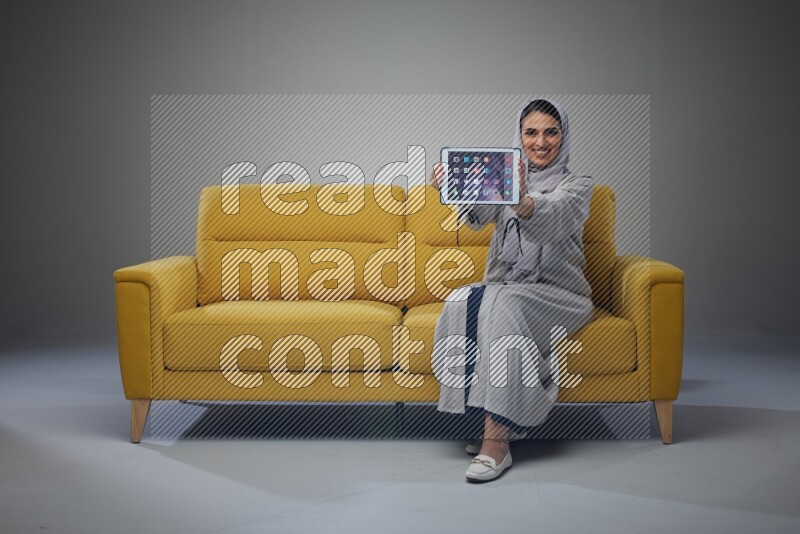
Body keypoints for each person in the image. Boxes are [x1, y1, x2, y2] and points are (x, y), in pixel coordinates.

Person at [429, 98, 595, 483]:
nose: (541, 142)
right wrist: (453, 186)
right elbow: (477, 216)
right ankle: (488, 418)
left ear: (563, 136)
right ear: (520, 136)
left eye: (551, 132)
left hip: (560, 294)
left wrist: (520, 201)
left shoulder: (578, 184)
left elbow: (554, 217)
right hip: (509, 287)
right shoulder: (506, 174)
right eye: (531, 132)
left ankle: (497, 442)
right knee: (463, 299)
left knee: (502, 301)